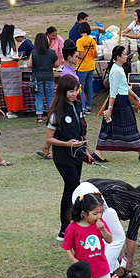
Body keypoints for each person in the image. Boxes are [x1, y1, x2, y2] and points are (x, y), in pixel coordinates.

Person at [83, 178, 140, 278]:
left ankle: (115, 270)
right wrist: (130, 263)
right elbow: (131, 236)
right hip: (95, 197)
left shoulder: (123, 196)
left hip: (84, 191)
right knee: (118, 239)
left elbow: (111, 228)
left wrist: (121, 254)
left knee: (104, 237)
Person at [43, 75, 91, 241]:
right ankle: (73, 226)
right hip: (63, 158)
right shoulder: (57, 112)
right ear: (63, 91)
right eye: (70, 90)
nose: (73, 93)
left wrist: (86, 150)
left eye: (76, 89)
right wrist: (67, 143)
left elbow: (81, 131)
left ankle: (65, 228)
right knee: (75, 189)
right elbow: (49, 139)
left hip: (77, 154)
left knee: (69, 191)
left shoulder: (78, 106)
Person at [92, 46, 140, 163]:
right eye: (125, 54)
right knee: (125, 125)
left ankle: (98, 151)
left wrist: (137, 98)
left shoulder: (119, 69)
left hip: (122, 100)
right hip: (118, 102)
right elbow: (113, 91)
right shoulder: (116, 71)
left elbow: (125, 87)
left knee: (111, 126)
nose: (126, 56)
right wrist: (110, 108)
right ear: (118, 57)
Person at [62, 193, 114, 278]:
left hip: (102, 268)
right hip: (84, 271)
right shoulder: (73, 228)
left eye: (101, 212)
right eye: (95, 214)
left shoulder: (100, 224)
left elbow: (109, 240)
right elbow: (67, 247)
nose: (99, 216)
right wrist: (73, 260)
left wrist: (102, 229)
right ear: (84, 213)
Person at [27, 32, 60, 123]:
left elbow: (29, 65)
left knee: (39, 97)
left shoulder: (34, 52)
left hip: (37, 77)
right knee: (50, 96)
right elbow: (57, 64)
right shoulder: (51, 52)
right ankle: (51, 116)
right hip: (49, 76)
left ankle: (39, 116)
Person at [0, 24, 21, 118]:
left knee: (7, 89)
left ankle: (9, 109)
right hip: (13, 66)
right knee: (14, 89)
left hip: (4, 66)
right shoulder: (12, 43)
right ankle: (12, 110)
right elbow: (15, 56)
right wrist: (19, 57)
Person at [74, 22, 97, 114]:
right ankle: (89, 107)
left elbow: (81, 55)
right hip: (91, 65)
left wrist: (75, 55)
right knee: (90, 87)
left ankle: (82, 107)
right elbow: (95, 55)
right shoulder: (93, 41)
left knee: (80, 87)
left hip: (82, 67)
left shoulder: (80, 41)